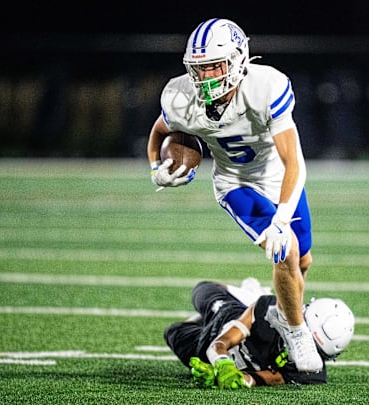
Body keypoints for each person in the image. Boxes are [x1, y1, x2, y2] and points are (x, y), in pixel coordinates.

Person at [147, 18, 321, 371]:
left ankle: (266, 308)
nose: (207, 76)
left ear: (239, 60)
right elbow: (159, 132)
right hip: (235, 182)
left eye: (214, 65)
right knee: (284, 252)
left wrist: (282, 217)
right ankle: (296, 330)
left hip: (280, 177)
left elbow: (295, 163)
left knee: (303, 262)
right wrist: (156, 168)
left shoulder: (265, 86)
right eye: (199, 68)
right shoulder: (180, 97)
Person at [164, 279, 355, 388]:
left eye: (317, 352)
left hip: (203, 346)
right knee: (202, 289)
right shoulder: (269, 312)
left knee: (172, 332)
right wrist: (221, 362)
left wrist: (231, 378)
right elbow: (220, 343)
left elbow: (259, 379)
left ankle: (243, 303)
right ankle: (248, 296)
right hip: (225, 317)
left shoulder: (313, 373)